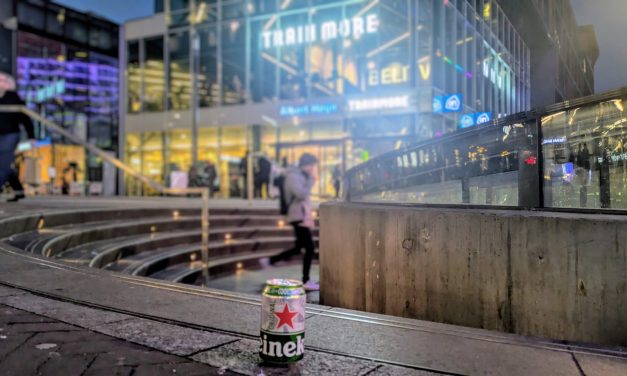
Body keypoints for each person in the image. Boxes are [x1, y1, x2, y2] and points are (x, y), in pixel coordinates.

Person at [261, 153, 319, 291]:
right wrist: (311, 180)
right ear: (306, 164)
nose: (312, 168)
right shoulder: (294, 176)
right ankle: (306, 280)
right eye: (311, 165)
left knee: (299, 247)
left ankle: (270, 260)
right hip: (297, 215)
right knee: (309, 248)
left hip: (300, 215)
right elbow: (301, 194)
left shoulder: (299, 175)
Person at [0, 72, 34, 202]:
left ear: (9, 84)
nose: (0, 83)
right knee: (6, 166)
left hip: (10, 135)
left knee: (3, 163)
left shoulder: (14, 98)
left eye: (3, 80)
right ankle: (18, 189)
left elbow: (26, 119)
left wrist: (31, 136)